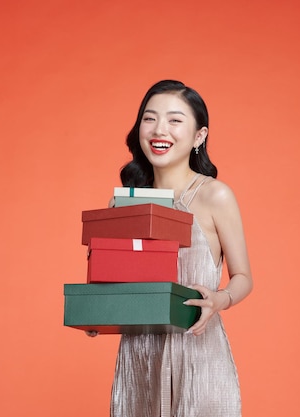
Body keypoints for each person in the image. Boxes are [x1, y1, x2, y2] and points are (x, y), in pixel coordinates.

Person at [97, 79, 253, 417]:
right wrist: (98, 312)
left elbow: (243, 276)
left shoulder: (215, 196)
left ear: (199, 136)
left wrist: (220, 299)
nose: (159, 129)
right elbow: (114, 281)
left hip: (198, 351)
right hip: (140, 358)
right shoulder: (125, 202)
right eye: (150, 118)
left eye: (175, 120)